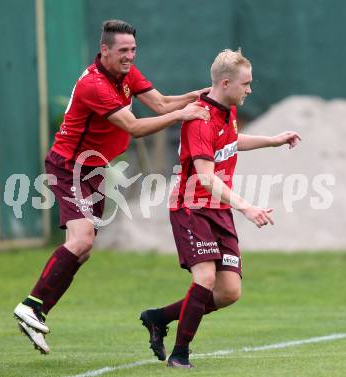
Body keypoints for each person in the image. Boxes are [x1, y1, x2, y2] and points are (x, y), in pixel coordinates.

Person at [13, 19, 210, 354]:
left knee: (83, 248)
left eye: (133, 49)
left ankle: (38, 309)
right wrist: (184, 115)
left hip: (93, 171)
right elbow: (133, 127)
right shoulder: (95, 85)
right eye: (123, 50)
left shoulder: (126, 74)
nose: (130, 56)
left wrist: (196, 96)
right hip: (69, 168)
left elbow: (161, 103)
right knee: (82, 239)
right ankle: (30, 306)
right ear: (104, 50)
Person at [140, 48, 301, 368]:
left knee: (229, 292)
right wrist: (246, 207)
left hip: (217, 209)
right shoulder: (199, 118)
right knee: (205, 278)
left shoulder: (227, 109)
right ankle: (180, 354)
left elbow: (231, 140)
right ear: (225, 83)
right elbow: (206, 178)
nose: (250, 89)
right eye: (246, 84)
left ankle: (158, 318)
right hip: (192, 207)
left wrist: (273, 140)